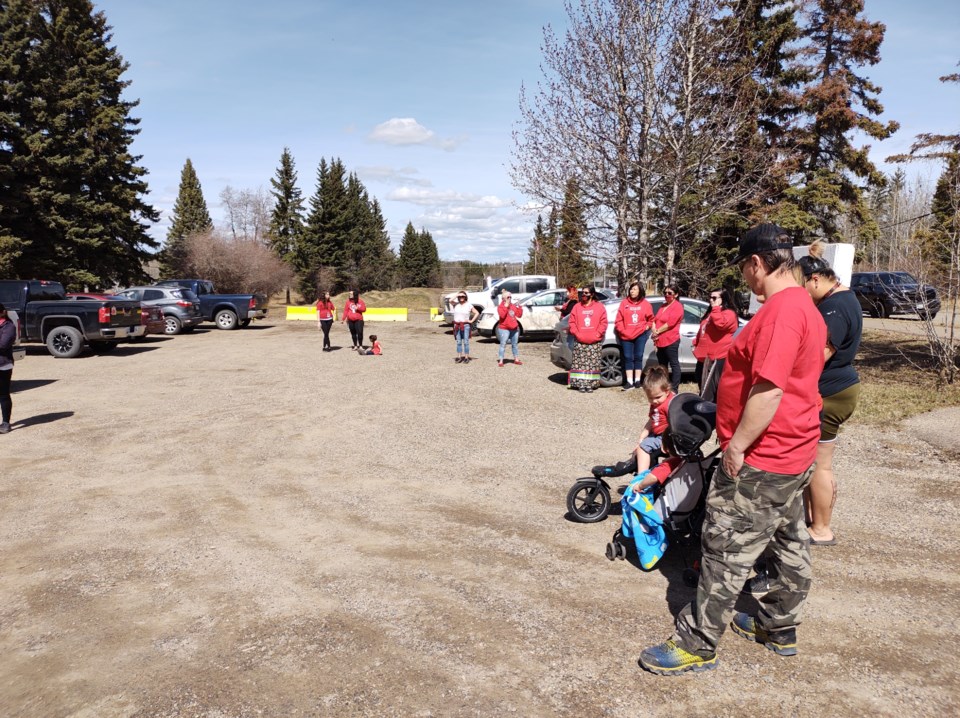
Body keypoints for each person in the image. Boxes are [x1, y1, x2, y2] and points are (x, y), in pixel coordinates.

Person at [639, 223, 826, 676]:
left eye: (744, 269)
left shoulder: (782, 312)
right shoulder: (806, 305)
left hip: (764, 457)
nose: (744, 279)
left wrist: (738, 446)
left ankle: (698, 642)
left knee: (724, 548)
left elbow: (770, 390)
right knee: (789, 540)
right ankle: (778, 625)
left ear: (756, 264)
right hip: (795, 452)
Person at [798, 242, 863, 546]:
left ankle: (821, 529)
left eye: (803, 287)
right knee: (817, 462)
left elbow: (818, 356)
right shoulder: (843, 298)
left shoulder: (834, 308)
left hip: (832, 391)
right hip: (841, 387)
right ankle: (814, 518)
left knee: (821, 464)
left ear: (815, 280)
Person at [692, 288, 738, 402]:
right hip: (704, 358)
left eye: (714, 298)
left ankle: (711, 415)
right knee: (702, 388)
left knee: (710, 393)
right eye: (710, 297)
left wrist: (716, 308)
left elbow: (721, 324)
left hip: (717, 358)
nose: (711, 300)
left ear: (723, 299)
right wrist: (696, 343)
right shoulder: (711, 312)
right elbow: (703, 328)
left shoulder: (729, 314)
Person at [633, 366, 674, 474]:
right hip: (657, 435)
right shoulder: (657, 404)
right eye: (650, 398)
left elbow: (675, 424)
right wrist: (641, 437)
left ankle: (641, 476)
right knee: (637, 449)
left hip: (667, 437)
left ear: (667, 391)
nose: (654, 401)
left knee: (642, 448)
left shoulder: (669, 404)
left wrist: (667, 442)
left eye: (657, 397)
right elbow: (651, 421)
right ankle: (642, 468)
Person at [615, 282, 655, 391]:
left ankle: (637, 380)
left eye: (635, 289)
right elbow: (618, 320)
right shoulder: (624, 303)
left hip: (640, 335)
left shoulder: (645, 304)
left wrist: (646, 327)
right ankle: (629, 381)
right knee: (628, 357)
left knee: (638, 356)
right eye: (631, 289)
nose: (632, 291)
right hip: (626, 336)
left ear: (640, 291)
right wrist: (623, 331)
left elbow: (651, 319)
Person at [567, 287, 608, 392]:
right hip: (580, 341)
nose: (583, 295)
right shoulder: (577, 307)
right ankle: (580, 383)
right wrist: (576, 333)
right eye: (582, 293)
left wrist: (597, 335)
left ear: (592, 294)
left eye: (586, 293)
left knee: (592, 364)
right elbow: (572, 322)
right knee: (580, 363)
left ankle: (590, 384)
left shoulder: (599, 307)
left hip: (594, 341)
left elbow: (603, 322)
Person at [652, 285, 683, 392]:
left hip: (671, 340)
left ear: (676, 294)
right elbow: (655, 320)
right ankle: (664, 386)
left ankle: (674, 389)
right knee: (662, 365)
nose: (667, 295)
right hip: (660, 340)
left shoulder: (678, 306)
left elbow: (670, 323)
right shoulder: (663, 306)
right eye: (665, 293)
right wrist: (654, 331)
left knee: (674, 364)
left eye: (670, 293)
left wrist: (657, 331)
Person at [451, 291, 480, 363]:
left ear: (465, 297)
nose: (461, 298)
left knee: (466, 342)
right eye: (460, 296)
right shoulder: (456, 305)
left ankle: (466, 357)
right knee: (458, 342)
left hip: (465, 325)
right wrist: (457, 294)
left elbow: (477, 313)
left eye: (463, 296)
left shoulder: (469, 305)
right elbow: (450, 300)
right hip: (457, 325)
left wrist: (471, 321)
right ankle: (459, 357)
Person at [496, 291, 523, 367]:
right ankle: (501, 360)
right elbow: (502, 316)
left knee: (515, 344)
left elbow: (519, 315)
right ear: (503, 298)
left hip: (514, 328)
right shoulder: (500, 306)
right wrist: (506, 306)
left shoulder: (513, 306)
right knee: (503, 344)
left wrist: (519, 306)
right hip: (504, 328)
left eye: (510, 297)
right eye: (508, 297)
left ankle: (516, 359)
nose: (510, 298)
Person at [0, 302, 15, 434]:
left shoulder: (9, 326)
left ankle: (6, 423)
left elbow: (3, 345)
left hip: (3, 364)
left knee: (3, 395)